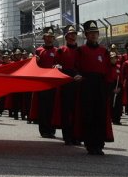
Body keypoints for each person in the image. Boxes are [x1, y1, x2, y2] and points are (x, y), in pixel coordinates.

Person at [70, 21, 113, 156]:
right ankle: (90, 144)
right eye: (91, 33)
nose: (94, 35)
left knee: (100, 114)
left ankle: (99, 144)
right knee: (88, 114)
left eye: (95, 33)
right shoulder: (81, 50)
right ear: (86, 35)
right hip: (87, 84)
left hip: (100, 85)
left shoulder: (104, 51)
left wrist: (108, 85)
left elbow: (108, 69)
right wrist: (77, 74)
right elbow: (75, 66)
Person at [31, 27, 60, 138]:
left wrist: (58, 66)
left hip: (53, 83)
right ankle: (43, 130)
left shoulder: (57, 51)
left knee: (52, 106)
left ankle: (51, 130)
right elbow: (34, 66)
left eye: (51, 37)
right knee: (43, 107)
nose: (50, 39)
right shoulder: (39, 51)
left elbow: (60, 64)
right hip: (43, 83)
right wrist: (35, 61)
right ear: (44, 38)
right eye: (47, 37)